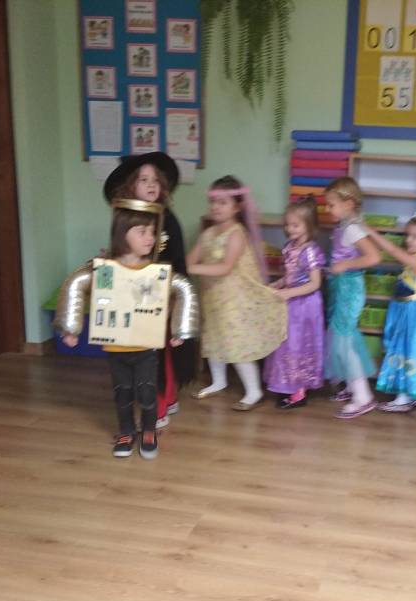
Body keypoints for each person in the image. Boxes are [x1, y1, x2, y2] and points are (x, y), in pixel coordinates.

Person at [60, 200, 178, 459]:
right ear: (123, 234)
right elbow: (76, 285)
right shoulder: (106, 269)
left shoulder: (154, 271)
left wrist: (178, 329)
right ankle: (126, 431)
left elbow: (176, 295)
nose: (150, 237)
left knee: (147, 391)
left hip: (146, 347)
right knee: (122, 392)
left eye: (152, 232)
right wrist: (71, 328)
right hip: (116, 348)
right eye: (142, 232)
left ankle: (149, 430)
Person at [104, 152, 194, 428]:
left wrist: (170, 296)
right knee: (148, 350)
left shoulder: (166, 217)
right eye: (143, 180)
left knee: (159, 351)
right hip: (135, 294)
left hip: (162, 292)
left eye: (155, 179)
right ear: (130, 185)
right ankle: (164, 398)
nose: (151, 184)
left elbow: (174, 258)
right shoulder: (125, 217)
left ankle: (161, 405)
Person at [187, 175, 287, 410]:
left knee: (235, 342)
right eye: (213, 202)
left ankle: (253, 391)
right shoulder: (208, 233)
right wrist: (188, 265)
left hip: (235, 297)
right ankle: (218, 381)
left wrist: (193, 268)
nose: (216, 207)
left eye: (223, 202)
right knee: (214, 336)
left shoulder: (236, 234)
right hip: (213, 296)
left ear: (237, 207)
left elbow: (226, 267)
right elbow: (190, 258)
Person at [363, 210, 416, 412]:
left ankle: (404, 397)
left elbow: (394, 251)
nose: (408, 240)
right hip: (408, 311)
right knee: (414, 352)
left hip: (413, 313)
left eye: (415, 236)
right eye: (408, 235)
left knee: (407, 351)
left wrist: (369, 230)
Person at [323, 177, 381, 419]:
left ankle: (363, 397)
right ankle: (351, 386)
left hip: (349, 289)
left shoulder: (352, 228)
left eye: (331, 205)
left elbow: (373, 257)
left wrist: (345, 264)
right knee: (340, 338)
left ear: (348, 204)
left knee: (345, 341)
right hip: (342, 288)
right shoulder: (344, 226)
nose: (327, 209)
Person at [263, 197, 326, 409]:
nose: (290, 229)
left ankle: (299, 390)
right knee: (287, 343)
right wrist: (277, 284)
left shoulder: (311, 251)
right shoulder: (289, 247)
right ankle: (287, 383)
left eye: (295, 225)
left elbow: (315, 283)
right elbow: (289, 276)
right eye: (288, 225)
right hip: (291, 302)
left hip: (306, 305)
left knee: (300, 344)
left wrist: (289, 292)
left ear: (309, 225)